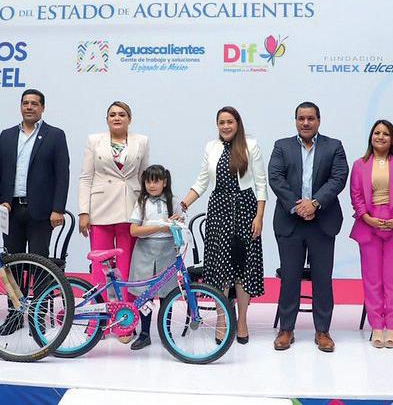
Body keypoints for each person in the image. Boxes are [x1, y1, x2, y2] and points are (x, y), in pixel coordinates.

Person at [180, 106, 267, 345]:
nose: (226, 126)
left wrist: (259, 217)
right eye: (221, 122)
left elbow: (261, 184)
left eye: (230, 121)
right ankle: (222, 320)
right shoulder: (211, 147)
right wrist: (183, 206)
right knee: (221, 268)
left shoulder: (251, 146)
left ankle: (242, 322)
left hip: (246, 209)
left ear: (238, 123)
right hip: (219, 210)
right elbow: (201, 182)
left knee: (243, 268)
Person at [0, 89, 70, 336]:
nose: (29, 107)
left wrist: (58, 208)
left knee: (39, 265)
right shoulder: (7, 135)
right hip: (10, 210)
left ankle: (38, 316)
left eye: (35, 103)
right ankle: (14, 314)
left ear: (42, 108)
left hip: (41, 212)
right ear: (20, 106)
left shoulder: (55, 135)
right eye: (25, 103)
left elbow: (62, 174)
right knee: (11, 264)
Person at [268, 101, 348, 352]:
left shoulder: (334, 146)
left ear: (318, 121)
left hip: (322, 222)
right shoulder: (281, 146)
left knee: (322, 279)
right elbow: (276, 178)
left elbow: (338, 178)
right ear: (295, 121)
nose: (305, 123)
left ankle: (323, 331)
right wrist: (298, 206)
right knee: (289, 278)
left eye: (310, 118)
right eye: (301, 118)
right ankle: (286, 330)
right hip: (290, 222)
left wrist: (314, 203)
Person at [349, 120, 393, 348]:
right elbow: (356, 195)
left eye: (386, 134)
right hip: (368, 224)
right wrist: (366, 217)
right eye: (377, 133)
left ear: (392, 139)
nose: (380, 137)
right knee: (372, 280)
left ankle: (392, 328)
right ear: (371, 137)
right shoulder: (359, 165)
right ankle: (377, 327)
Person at [78, 101, 149, 314]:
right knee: (101, 267)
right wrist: (83, 212)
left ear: (130, 119)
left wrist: (147, 211)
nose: (117, 118)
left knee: (127, 267)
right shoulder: (94, 140)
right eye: (112, 115)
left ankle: (125, 318)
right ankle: (100, 317)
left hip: (130, 211)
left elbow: (144, 177)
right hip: (100, 210)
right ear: (107, 119)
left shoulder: (142, 141)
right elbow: (86, 177)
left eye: (122, 114)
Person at [127, 165, 182, 350]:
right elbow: (134, 230)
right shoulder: (141, 202)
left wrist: (178, 223)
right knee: (145, 295)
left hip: (167, 251)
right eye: (148, 181)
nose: (151, 185)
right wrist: (160, 226)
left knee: (168, 294)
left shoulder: (173, 201)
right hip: (145, 251)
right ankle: (144, 334)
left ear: (164, 182)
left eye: (156, 181)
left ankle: (166, 333)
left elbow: (179, 225)